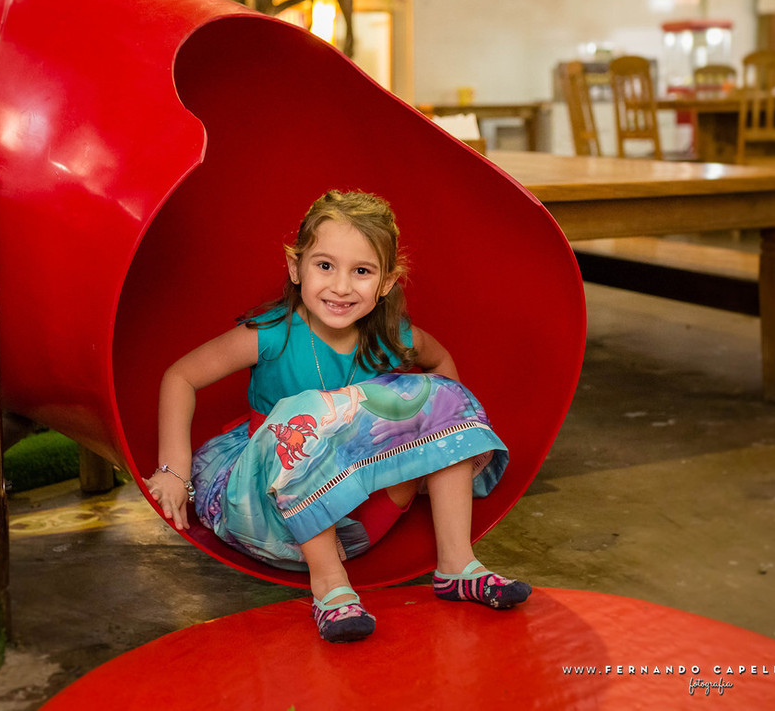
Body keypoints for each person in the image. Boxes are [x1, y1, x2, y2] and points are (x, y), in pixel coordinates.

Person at [145, 189, 530, 644]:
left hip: (355, 525)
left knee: (440, 395)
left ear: (386, 283)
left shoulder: (394, 338)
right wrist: (174, 469)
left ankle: (456, 566)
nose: (342, 287)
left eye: (361, 271)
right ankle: (329, 587)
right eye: (325, 265)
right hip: (262, 514)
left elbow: (443, 375)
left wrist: (433, 456)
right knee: (307, 412)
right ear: (296, 268)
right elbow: (180, 376)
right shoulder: (271, 334)